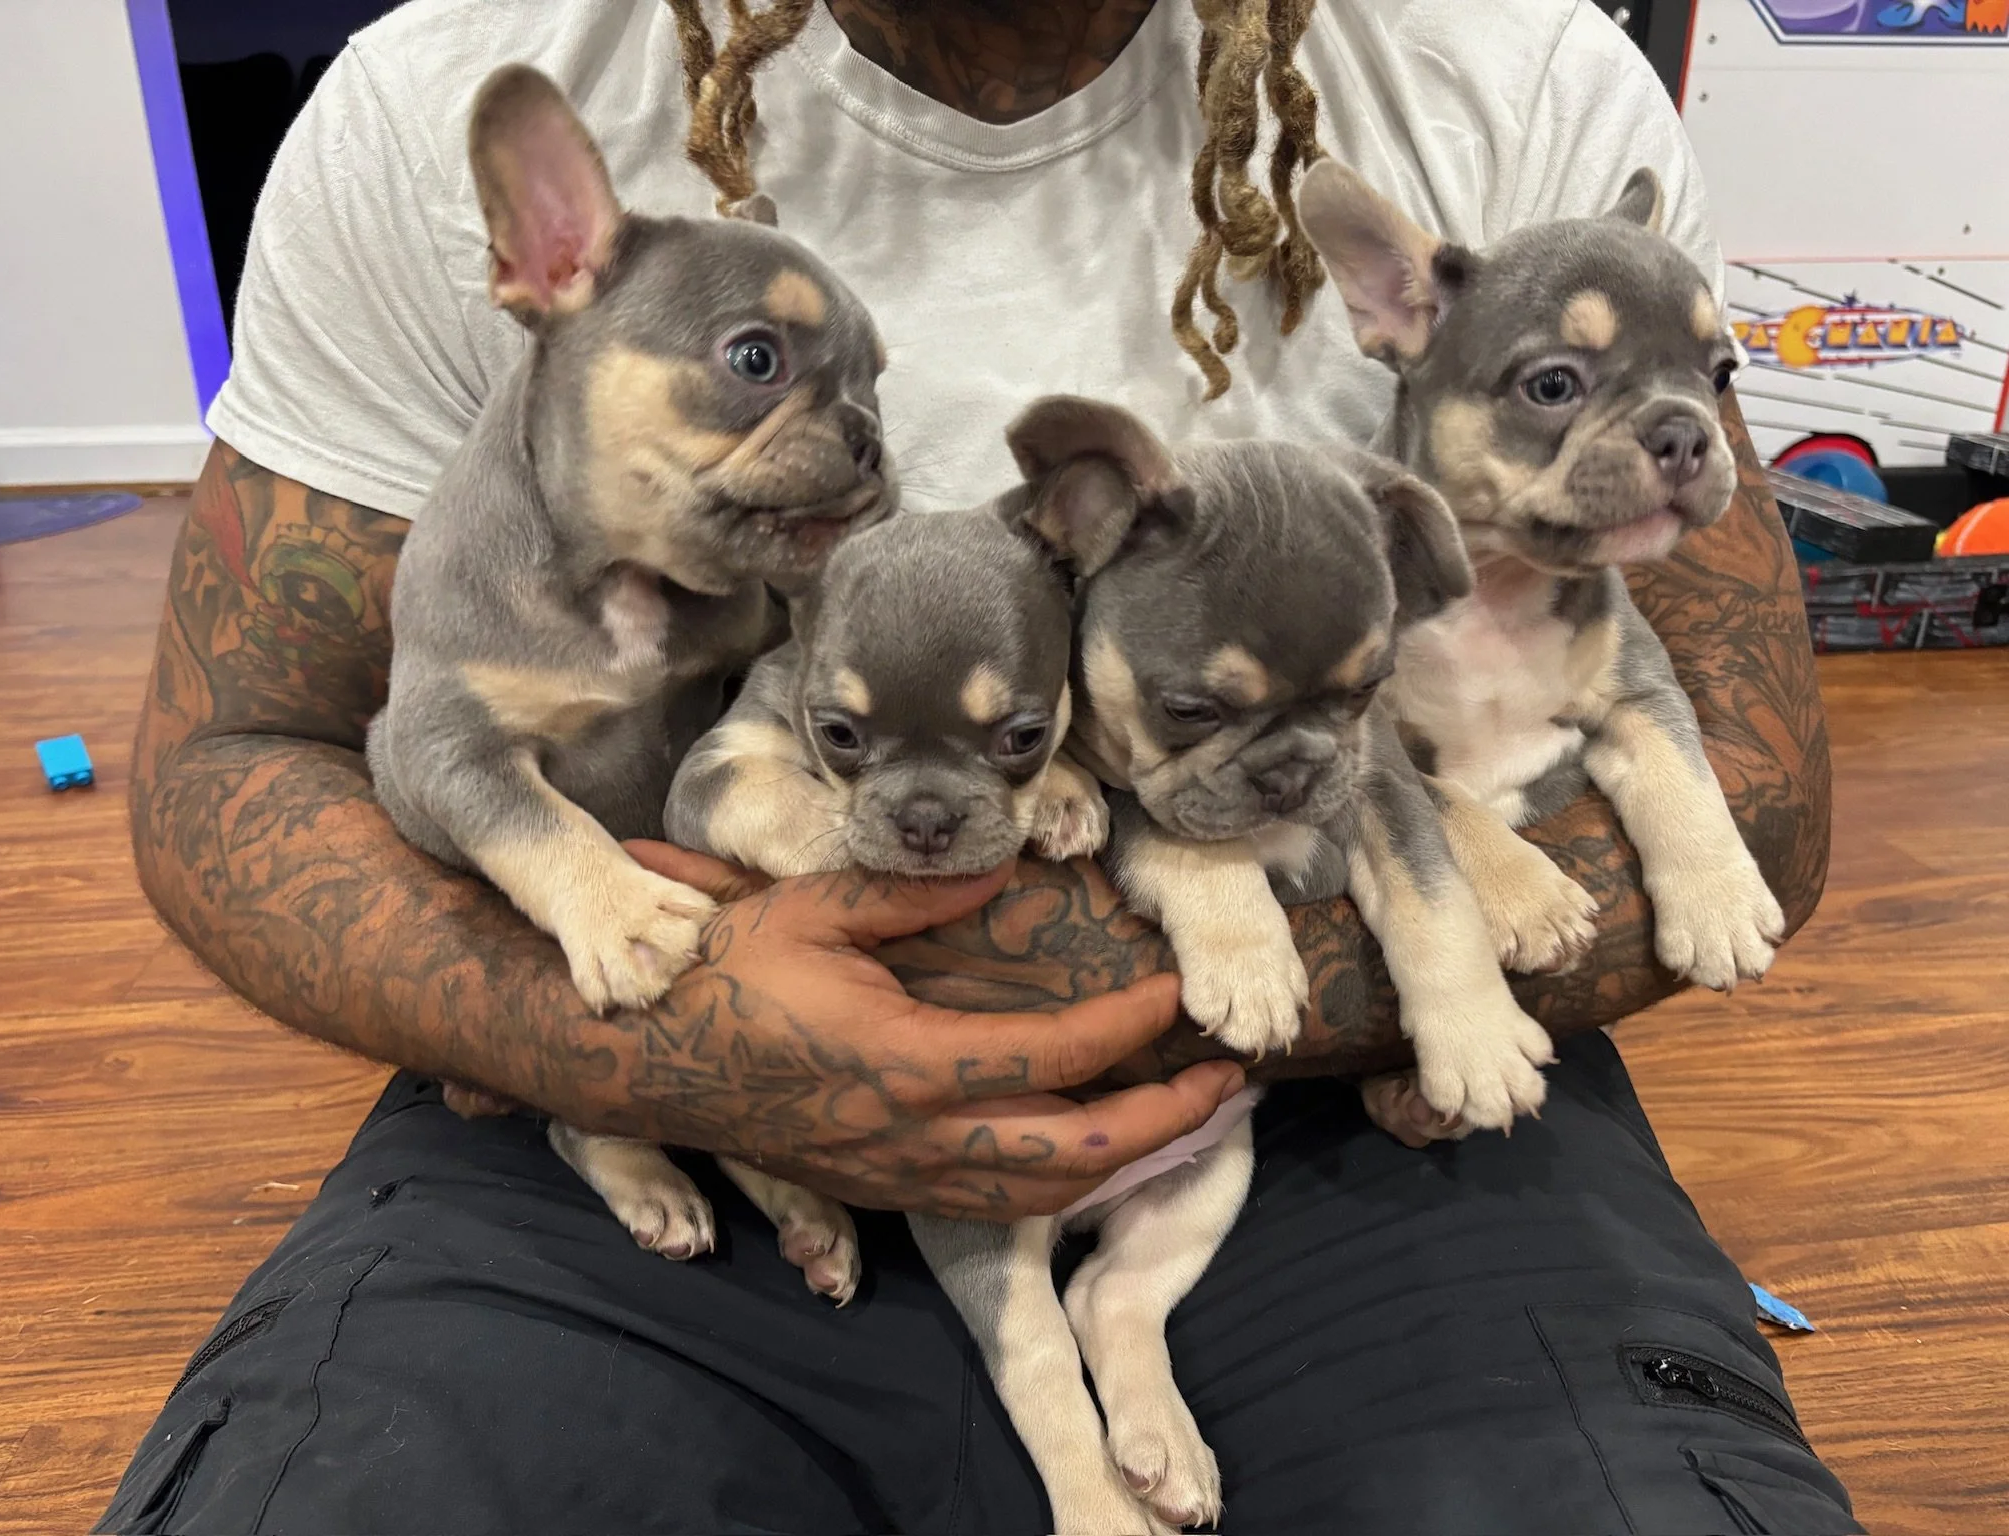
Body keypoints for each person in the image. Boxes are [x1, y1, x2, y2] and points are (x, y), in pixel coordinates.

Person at [104, 1, 1859, 1531]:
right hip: (638, 1058)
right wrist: (669, 1044)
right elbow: (232, 759)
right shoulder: (442, 99)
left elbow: (1742, 776)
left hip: (1339, 1099)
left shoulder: (1519, 77)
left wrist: (1280, 987)